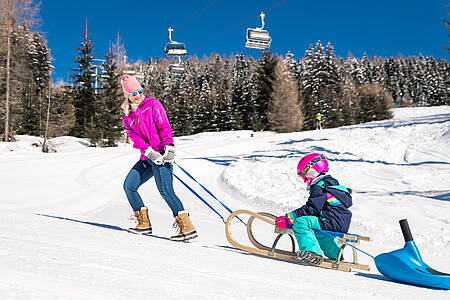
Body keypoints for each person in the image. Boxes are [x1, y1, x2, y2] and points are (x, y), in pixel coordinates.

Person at [120, 75, 198, 242]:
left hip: (162, 154)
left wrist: (169, 148)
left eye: (140, 91)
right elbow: (133, 136)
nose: (138, 95)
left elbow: (164, 127)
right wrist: (147, 151)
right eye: (134, 93)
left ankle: (186, 227)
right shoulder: (127, 113)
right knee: (129, 186)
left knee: (165, 190)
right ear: (127, 95)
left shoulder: (153, 104)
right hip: (147, 157)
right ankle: (144, 223)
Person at [275, 153, 352, 265]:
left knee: (301, 222)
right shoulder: (330, 185)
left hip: (330, 221)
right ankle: (335, 255)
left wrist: (289, 218)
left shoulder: (319, 186)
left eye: (303, 176)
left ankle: (312, 253)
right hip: (340, 223)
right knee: (319, 232)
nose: (304, 180)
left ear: (311, 171)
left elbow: (311, 208)